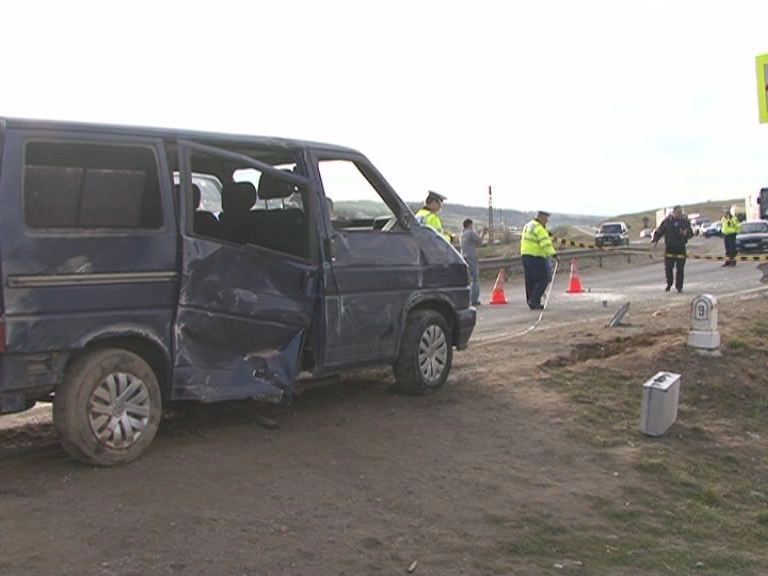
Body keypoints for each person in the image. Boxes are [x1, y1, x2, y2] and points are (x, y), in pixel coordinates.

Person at [520, 211, 557, 310]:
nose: (547, 221)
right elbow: (545, 243)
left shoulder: (528, 225)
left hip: (525, 254)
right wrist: (554, 254)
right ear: (541, 218)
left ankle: (531, 301)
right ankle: (535, 300)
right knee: (543, 278)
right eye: (546, 218)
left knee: (530, 280)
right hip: (536, 255)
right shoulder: (539, 228)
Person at [651, 205, 694, 292]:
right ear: (673, 212)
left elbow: (691, 233)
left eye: (681, 212)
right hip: (670, 248)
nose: (680, 213)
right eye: (678, 212)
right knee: (668, 268)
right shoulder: (667, 221)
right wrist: (655, 241)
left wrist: (686, 234)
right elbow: (659, 231)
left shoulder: (685, 221)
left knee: (680, 269)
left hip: (681, 248)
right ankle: (669, 284)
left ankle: (679, 287)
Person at [460, 218, 487, 306]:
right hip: (471, 257)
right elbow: (479, 242)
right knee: (475, 279)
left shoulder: (462, 234)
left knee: (467, 279)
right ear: (470, 225)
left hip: (463, 257)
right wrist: (483, 233)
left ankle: (467, 299)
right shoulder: (470, 233)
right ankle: (474, 299)